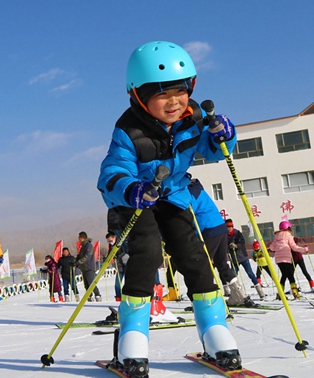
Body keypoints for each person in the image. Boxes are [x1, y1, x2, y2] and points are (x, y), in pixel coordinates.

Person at [96, 41, 241, 373]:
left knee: (194, 257)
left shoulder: (194, 117)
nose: (174, 102)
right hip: (139, 202)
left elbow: (214, 149)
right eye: (162, 95)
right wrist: (132, 190)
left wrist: (224, 136)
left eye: (180, 91)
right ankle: (133, 336)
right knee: (146, 257)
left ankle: (215, 331)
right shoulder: (127, 131)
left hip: (174, 196)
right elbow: (111, 174)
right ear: (139, 97)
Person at [189, 180, 258, 303]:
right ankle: (239, 294)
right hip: (220, 228)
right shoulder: (200, 190)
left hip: (210, 229)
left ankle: (206, 297)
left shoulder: (191, 194)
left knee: (203, 262)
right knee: (221, 263)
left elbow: (190, 215)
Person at [226, 219, 265, 297]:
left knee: (250, 273)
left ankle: (260, 291)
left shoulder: (237, 233)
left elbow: (242, 242)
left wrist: (236, 245)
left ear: (232, 226)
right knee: (232, 275)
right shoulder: (225, 236)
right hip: (234, 259)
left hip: (243, 256)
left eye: (230, 227)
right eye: (227, 227)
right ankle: (236, 293)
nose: (228, 229)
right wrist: (228, 248)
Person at [269, 220, 308, 299]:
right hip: (286, 259)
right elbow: (294, 247)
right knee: (290, 276)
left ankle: (280, 294)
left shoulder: (276, 236)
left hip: (278, 260)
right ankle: (295, 292)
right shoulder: (289, 236)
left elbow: (272, 248)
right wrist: (304, 249)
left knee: (284, 275)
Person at [75, 231, 102, 302]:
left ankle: (97, 295)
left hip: (89, 267)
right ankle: (89, 297)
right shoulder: (83, 247)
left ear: (82, 238)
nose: (78, 240)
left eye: (79, 238)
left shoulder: (88, 245)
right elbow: (80, 256)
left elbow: (87, 256)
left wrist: (79, 262)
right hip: (84, 268)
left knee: (91, 283)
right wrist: (75, 261)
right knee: (86, 284)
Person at [107, 231, 129, 301]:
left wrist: (120, 255)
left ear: (114, 237)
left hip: (127, 265)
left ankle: (127, 297)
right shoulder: (111, 245)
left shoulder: (121, 242)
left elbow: (127, 250)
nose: (110, 242)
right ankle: (118, 297)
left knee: (128, 283)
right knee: (117, 284)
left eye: (111, 240)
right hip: (119, 267)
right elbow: (110, 254)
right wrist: (108, 258)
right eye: (108, 241)